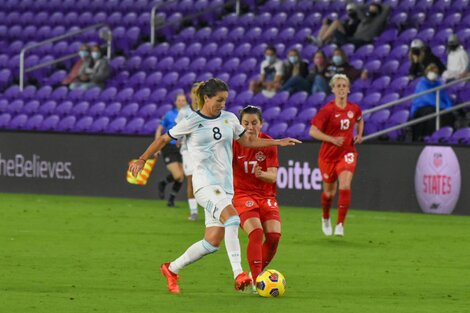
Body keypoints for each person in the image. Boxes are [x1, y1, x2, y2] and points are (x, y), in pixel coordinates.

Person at [128, 78, 300, 294]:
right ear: (206, 98)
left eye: (225, 100)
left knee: (212, 241)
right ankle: (239, 274)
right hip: (204, 183)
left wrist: (277, 141)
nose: (223, 104)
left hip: (225, 187)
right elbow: (163, 139)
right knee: (233, 219)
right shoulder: (192, 120)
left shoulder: (229, 119)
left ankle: (171, 269)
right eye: (219, 100)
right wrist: (143, 158)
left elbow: (247, 142)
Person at [232, 105, 282, 287]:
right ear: (240, 124)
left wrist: (262, 175)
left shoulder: (269, 143)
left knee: (274, 236)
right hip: (242, 194)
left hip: (266, 195)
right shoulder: (234, 143)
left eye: (254, 123)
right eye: (246, 123)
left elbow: (273, 176)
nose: (250, 127)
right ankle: (257, 281)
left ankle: (256, 275)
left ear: (261, 124)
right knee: (256, 232)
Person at [309, 74, 364, 237]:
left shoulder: (354, 108)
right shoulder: (327, 110)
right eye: (338, 86)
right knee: (329, 194)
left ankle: (340, 224)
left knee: (345, 185)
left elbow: (360, 120)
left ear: (348, 89)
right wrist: (331, 139)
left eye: (344, 86)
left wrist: (359, 135)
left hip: (347, 152)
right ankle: (326, 217)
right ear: (333, 89)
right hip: (328, 156)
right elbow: (312, 131)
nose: (341, 88)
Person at [156, 93, 186, 207]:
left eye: (183, 100)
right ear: (175, 102)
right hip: (169, 146)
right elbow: (159, 129)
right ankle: (163, 183)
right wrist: (158, 146)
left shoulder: (189, 114)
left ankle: (171, 200)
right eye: (179, 100)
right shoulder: (169, 114)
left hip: (181, 147)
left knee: (182, 176)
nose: (181, 102)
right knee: (177, 175)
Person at [174, 84, 199, 220]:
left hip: (202, 151)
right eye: (194, 92)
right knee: (191, 180)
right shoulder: (184, 112)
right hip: (187, 150)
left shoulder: (206, 111)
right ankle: (194, 210)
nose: (196, 95)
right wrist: (179, 138)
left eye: (198, 92)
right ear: (190, 94)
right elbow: (178, 129)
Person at [411, 63, 454, 141]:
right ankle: (430, 136)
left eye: (436, 72)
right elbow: (429, 98)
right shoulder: (422, 84)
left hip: (436, 106)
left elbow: (444, 95)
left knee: (448, 114)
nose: (434, 74)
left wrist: (449, 105)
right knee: (433, 112)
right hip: (420, 108)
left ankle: (446, 136)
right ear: (427, 72)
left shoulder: (438, 83)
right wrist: (444, 106)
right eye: (433, 72)